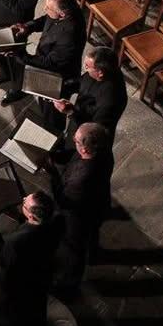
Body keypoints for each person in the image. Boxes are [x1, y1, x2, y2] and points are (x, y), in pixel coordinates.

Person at [48, 123, 114, 292]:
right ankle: (93, 253)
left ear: (84, 149)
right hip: (98, 204)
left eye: (76, 141)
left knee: (74, 252)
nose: (73, 141)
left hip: (78, 218)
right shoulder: (103, 151)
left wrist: (51, 172)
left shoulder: (81, 179)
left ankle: (69, 284)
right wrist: (55, 155)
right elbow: (73, 157)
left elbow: (63, 199)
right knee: (92, 235)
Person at [1, 0, 86, 109]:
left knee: (49, 109)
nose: (44, 9)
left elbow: (50, 63)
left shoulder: (71, 34)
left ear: (62, 14)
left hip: (56, 77)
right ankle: (21, 90)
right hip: (46, 58)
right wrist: (28, 27)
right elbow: (47, 19)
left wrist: (20, 55)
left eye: (48, 8)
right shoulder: (65, 11)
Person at [0, 191, 60, 326]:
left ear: (31, 216)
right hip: (42, 277)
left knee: (21, 309)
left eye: (25, 203)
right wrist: (22, 217)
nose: (23, 199)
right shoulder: (55, 223)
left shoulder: (16, 241)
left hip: (23, 284)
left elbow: (3, 259)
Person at [52, 46, 128, 147]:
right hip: (77, 118)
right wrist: (58, 85)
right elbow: (82, 82)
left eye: (87, 66)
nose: (85, 68)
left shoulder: (110, 100)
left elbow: (93, 132)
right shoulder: (101, 71)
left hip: (85, 141)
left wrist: (70, 112)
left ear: (100, 73)